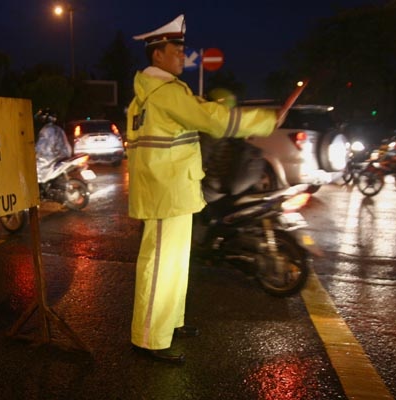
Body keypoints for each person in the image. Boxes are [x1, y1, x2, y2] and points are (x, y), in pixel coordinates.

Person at [126, 14, 287, 363]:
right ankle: (149, 338)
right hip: (166, 191)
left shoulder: (154, 92)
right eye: (176, 49)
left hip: (170, 188)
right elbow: (211, 119)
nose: (182, 55)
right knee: (160, 266)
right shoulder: (164, 92)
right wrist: (266, 119)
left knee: (174, 263)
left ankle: (170, 323)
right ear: (158, 55)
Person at [34, 108, 72, 182]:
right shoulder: (56, 128)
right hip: (63, 155)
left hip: (56, 156)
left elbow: (43, 147)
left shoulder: (48, 130)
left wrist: (35, 153)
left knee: (38, 169)